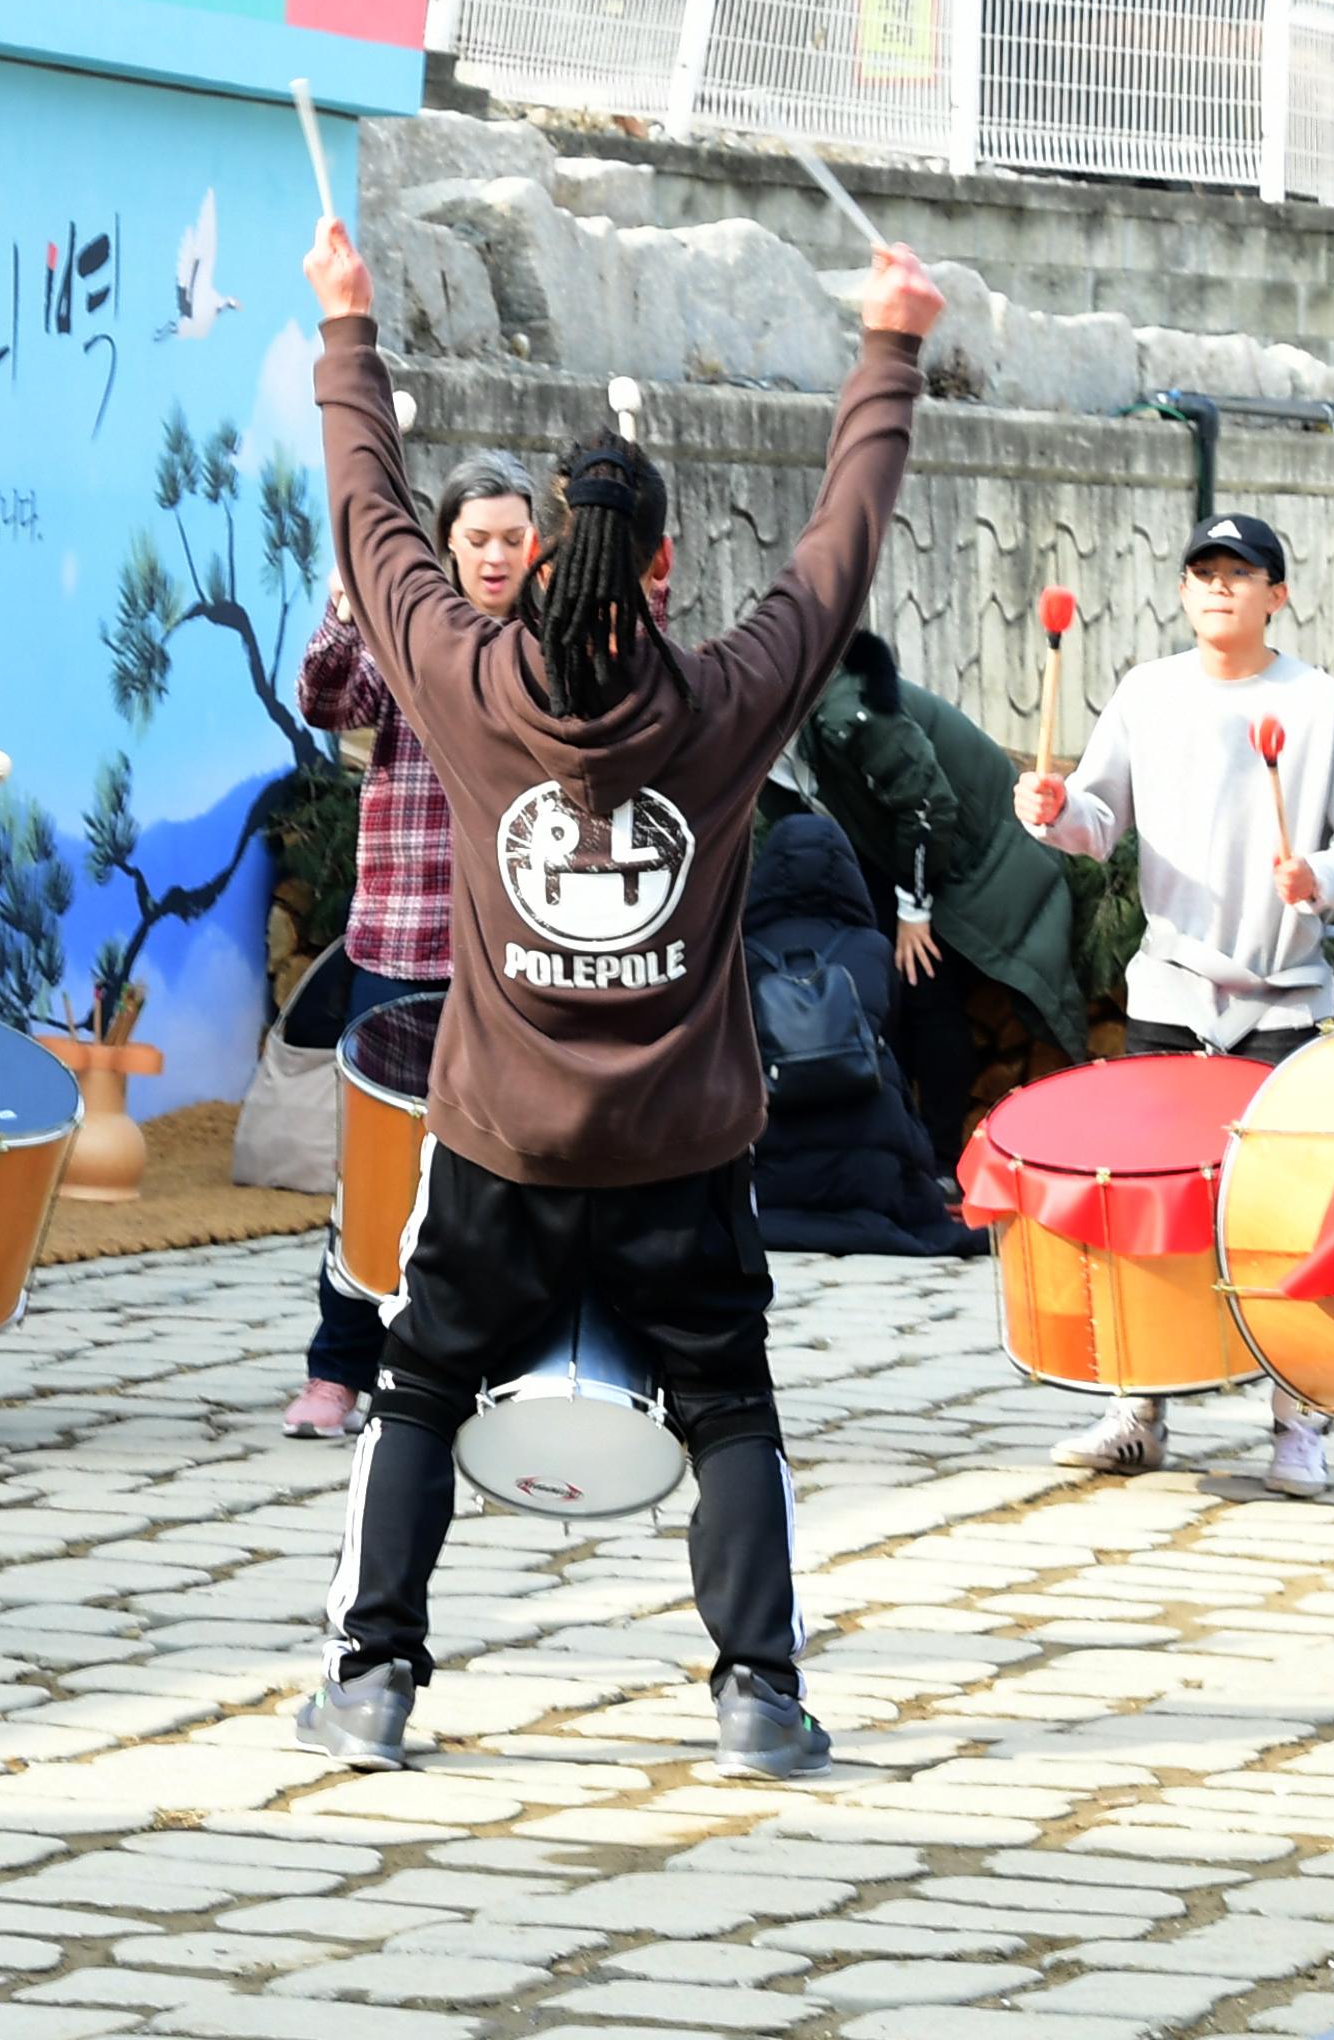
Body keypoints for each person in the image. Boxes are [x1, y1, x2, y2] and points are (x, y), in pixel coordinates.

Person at [292, 217, 943, 1783]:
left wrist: (350, 331)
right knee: (727, 1408)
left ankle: (375, 1681)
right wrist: (889, 350)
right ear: (662, 568)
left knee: (423, 1388)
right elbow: (840, 545)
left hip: (504, 1142)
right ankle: (759, 1699)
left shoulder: (454, 673)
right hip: (683, 1152)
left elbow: (372, 513)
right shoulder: (726, 701)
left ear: (540, 567)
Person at [1014, 513, 1334, 1498]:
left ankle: (1298, 1417)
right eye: (1204, 572)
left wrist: (1315, 872)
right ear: (1183, 591)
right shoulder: (1148, 692)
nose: (1220, 587)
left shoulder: (1317, 704)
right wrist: (1055, 812)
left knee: (1289, 1217)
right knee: (1149, 1210)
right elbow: (1098, 818)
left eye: (1242, 572)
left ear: (1278, 592)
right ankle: (1138, 1409)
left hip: (1283, 996)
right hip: (1170, 990)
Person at [278, 450, 545, 1440]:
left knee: (507, 1173)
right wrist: (348, 605)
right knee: (380, 1168)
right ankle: (335, 1372)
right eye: (476, 538)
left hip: (512, 960)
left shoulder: (546, 650)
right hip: (399, 944)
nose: (493, 555)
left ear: (535, 546)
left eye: (511, 539)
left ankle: (483, 1369)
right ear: (444, 544)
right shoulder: (406, 635)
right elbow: (325, 700)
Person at [793, 628, 1086, 1175]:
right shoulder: (795, 717)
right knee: (888, 995)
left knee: (926, 994)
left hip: (980, 863)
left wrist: (915, 908)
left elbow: (928, 802)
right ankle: (902, 1150)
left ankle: (943, 1159)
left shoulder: (844, 712)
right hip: (913, 860)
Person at [742, 812, 970, 1259]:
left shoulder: (741, 952)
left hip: (768, 1164)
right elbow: (892, 1049)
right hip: (871, 1168)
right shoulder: (873, 947)